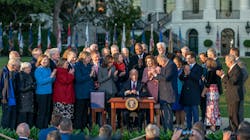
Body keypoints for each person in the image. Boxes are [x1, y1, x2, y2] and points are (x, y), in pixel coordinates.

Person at [216, 55, 243, 132]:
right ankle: (231, 127)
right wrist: (223, 75)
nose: (225, 62)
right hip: (230, 95)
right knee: (230, 113)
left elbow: (232, 82)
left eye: (226, 61)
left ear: (230, 61)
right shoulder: (231, 68)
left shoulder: (237, 69)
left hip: (235, 95)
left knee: (234, 114)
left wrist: (222, 75)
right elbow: (227, 81)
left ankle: (236, 131)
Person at [153, 55, 178, 131]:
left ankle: (169, 131)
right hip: (163, 94)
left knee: (168, 114)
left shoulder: (171, 65)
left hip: (169, 94)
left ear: (163, 60)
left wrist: (155, 75)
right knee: (164, 114)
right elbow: (162, 77)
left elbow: (166, 78)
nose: (160, 64)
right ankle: (165, 130)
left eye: (159, 62)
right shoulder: (165, 65)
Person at [180, 52, 203, 129]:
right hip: (186, 93)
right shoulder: (185, 66)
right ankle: (188, 127)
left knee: (195, 112)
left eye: (189, 58)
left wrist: (189, 72)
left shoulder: (199, 67)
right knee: (188, 113)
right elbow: (181, 77)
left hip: (194, 93)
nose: (187, 60)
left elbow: (197, 78)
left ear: (193, 58)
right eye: (186, 58)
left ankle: (196, 128)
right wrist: (185, 74)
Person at [74, 51, 94, 129]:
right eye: (89, 57)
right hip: (80, 93)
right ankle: (78, 128)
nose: (90, 59)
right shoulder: (78, 65)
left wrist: (93, 75)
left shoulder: (89, 65)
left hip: (88, 92)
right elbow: (78, 79)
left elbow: (91, 78)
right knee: (79, 112)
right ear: (84, 57)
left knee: (86, 111)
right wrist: (89, 75)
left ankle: (84, 127)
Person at [35, 54, 56, 129]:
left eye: (47, 60)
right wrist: (50, 77)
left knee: (47, 111)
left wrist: (53, 76)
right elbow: (40, 81)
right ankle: (40, 128)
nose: (45, 61)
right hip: (41, 94)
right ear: (40, 61)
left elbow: (52, 80)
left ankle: (45, 127)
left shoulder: (48, 69)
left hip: (49, 92)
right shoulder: (38, 70)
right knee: (42, 112)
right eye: (44, 60)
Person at [201, 58, 221, 131]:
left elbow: (208, 84)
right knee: (215, 108)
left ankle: (212, 125)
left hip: (211, 92)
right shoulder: (215, 71)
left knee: (211, 108)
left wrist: (203, 92)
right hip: (215, 91)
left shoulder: (210, 72)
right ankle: (216, 123)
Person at [230, 47, 248, 123]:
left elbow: (245, 75)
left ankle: (241, 127)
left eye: (230, 53)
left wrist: (237, 83)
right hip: (233, 90)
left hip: (239, 90)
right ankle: (232, 126)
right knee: (232, 110)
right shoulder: (233, 62)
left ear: (234, 54)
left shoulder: (240, 63)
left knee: (239, 110)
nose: (229, 54)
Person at [0, 58, 20, 129]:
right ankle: (5, 131)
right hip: (6, 99)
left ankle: (12, 131)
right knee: (6, 117)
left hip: (14, 98)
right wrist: (2, 97)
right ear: (12, 66)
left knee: (13, 116)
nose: (17, 69)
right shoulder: (3, 72)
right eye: (17, 67)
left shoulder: (14, 73)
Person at [16, 62, 35, 127]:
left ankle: (28, 130)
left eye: (30, 68)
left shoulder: (29, 75)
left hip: (29, 98)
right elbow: (21, 88)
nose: (30, 69)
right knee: (23, 117)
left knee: (29, 116)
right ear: (24, 68)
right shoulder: (21, 75)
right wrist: (31, 86)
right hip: (24, 99)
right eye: (28, 68)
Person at [172, 57, 185, 129]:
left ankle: (182, 123)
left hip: (181, 91)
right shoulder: (172, 70)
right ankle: (177, 123)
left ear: (179, 62)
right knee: (176, 108)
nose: (174, 64)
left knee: (182, 109)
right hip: (175, 91)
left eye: (176, 62)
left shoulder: (182, 70)